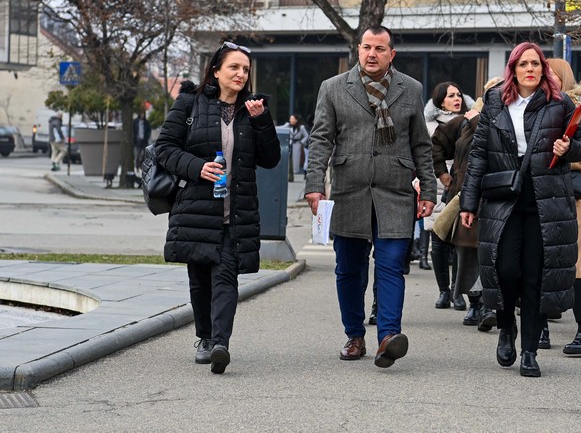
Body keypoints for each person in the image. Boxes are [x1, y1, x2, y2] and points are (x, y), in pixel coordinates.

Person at [305, 25, 437, 369]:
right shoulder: (333, 88)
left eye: (380, 48)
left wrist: (429, 188)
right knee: (349, 269)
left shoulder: (411, 89)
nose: (372, 54)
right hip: (350, 191)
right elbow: (320, 139)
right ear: (358, 50)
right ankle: (354, 335)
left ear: (391, 54)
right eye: (366, 47)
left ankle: (388, 338)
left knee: (392, 265)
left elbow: (422, 144)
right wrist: (314, 184)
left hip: (395, 193)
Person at [459, 42, 581, 377]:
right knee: (503, 270)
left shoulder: (560, 101)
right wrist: (469, 202)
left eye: (536, 63)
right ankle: (506, 328)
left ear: (543, 68)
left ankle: (529, 351)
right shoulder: (495, 101)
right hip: (504, 198)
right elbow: (478, 156)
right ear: (513, 69)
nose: (530, 69)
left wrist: (569, 146)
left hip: (545, 201)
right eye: (523, 64)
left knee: (535, 276)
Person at [155, 41, 281, 374]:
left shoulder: (254, 109)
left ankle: (221, 343)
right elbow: (164, 149)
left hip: (234, 211)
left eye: (245, 69)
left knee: (226, 276)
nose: (241, 74)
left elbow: (270, 160)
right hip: (196, 207)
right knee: (199, 280)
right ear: (216, 71)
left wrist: (263, 122)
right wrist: (198, 167)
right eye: (234, 68)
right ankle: (205, 337)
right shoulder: (189, 103)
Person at [541, 59, 581, 355]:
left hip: (569, 196)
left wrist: (565, 158)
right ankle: (539, 327)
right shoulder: (535, 104)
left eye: (551, 72)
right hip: (539, 193)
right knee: (539, 260)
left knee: (576, 262)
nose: (546, 76)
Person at [431, 77, 503, 331]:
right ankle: (473, 302)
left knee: (492, 253)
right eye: (492, 92)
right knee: (465, 251)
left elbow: (498, 141)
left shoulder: (502, 119)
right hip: (465, 196)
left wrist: (475, 119)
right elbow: (437, 142)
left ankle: (488, 304)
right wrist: (442, 173)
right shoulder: (464, 122)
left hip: (496, 196)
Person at [423, 81, 473, 309]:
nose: (457, 99)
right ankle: (443, 290)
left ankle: (457, 290)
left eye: (459, 94)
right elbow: (422, 157)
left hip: (462, 186)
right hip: (436, 186)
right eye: (451, 95)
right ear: (440, 100)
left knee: (460, 240)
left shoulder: (469, 122)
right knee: (439, 239)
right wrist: (439, 176)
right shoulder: (429, 126)